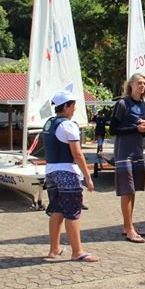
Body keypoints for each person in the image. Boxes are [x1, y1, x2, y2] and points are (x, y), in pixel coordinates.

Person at [42, 90, 99, 263]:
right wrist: (88, 177)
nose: (74, 108)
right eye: (73, 105)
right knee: (73, 211)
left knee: (57, 209)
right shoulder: (68, 125)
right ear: (66, 106)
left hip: (50, 171)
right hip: (66, 171)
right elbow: (78, 154)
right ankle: (77, 251)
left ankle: (54, 249)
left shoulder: (49, 123)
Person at [110, 73, 145, 243]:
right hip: (124, 153)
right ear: (131, 85)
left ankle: (128, 225)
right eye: (139, 83)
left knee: (133, 191)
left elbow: (142, 134)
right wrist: (136, 129)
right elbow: (113, 129)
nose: (142, 86)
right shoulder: (122, 104)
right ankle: (129, 229)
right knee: (126, 191)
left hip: (137, 152)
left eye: (144, 84)